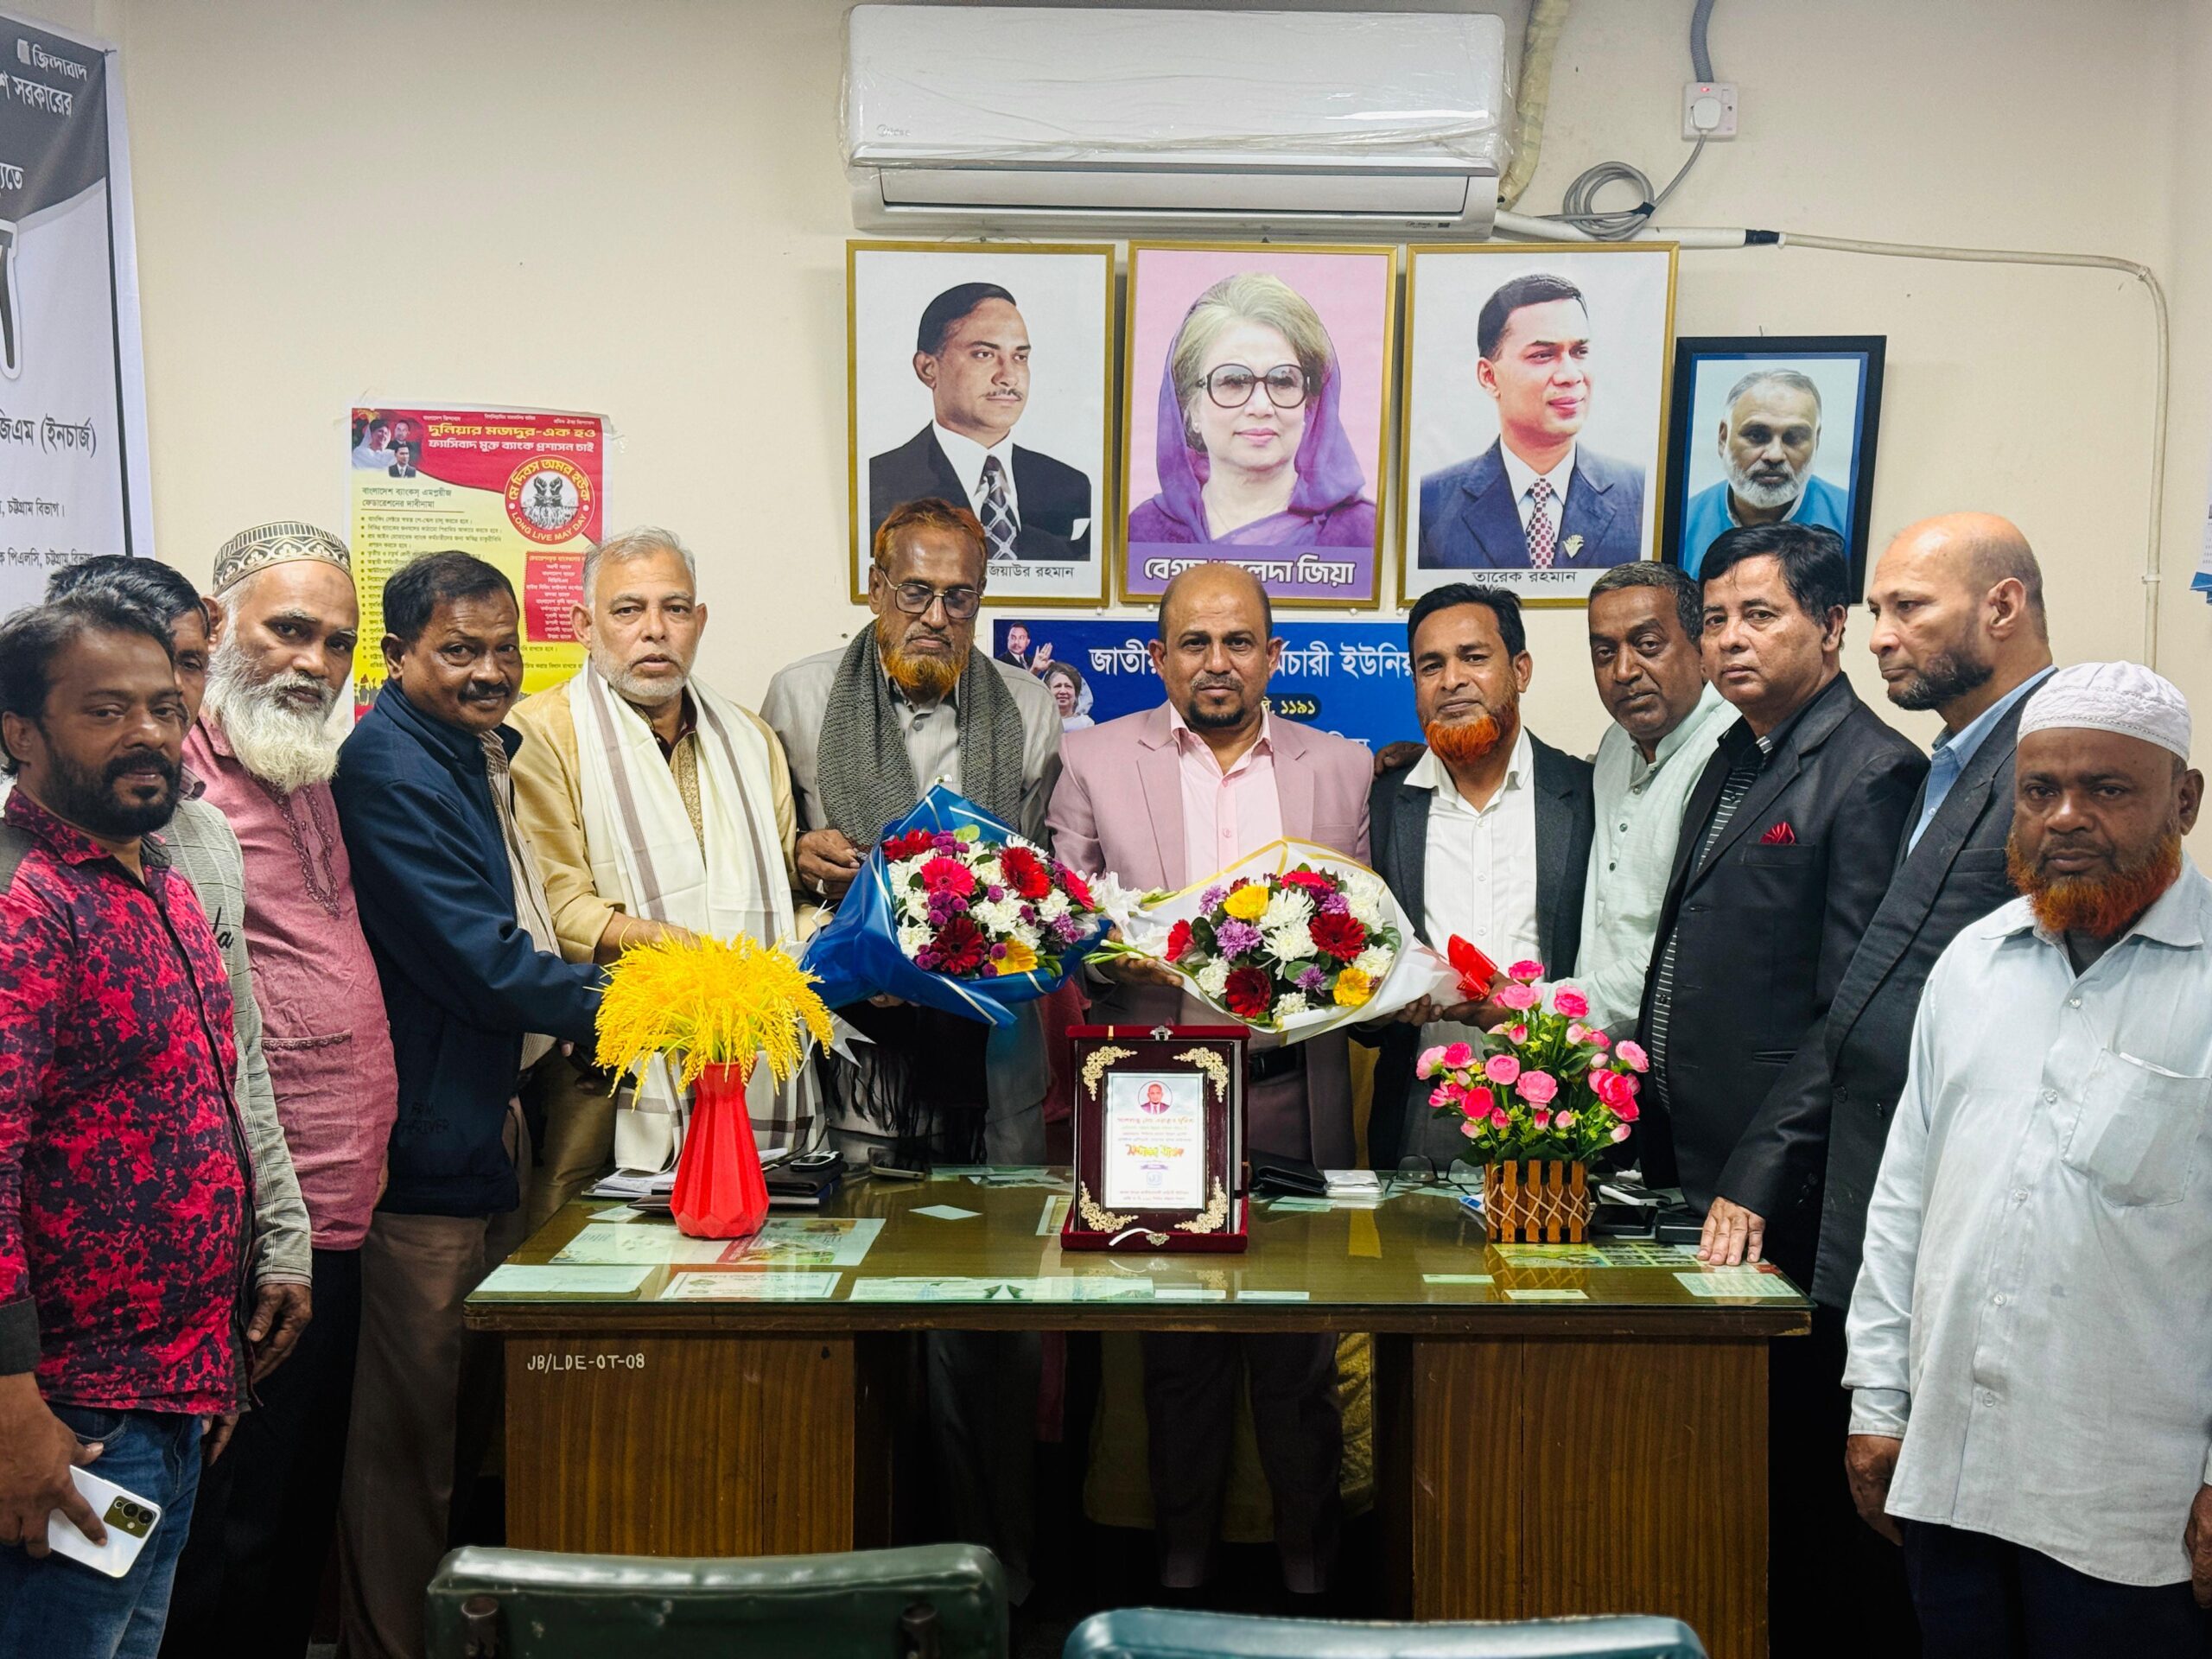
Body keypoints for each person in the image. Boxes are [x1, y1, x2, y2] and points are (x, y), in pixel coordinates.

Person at [1691, 512, 2048, 1655]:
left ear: (2002, 606)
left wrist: (1763, 1162)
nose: (1886, 634)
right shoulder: (1940, 761)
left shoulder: (2016, 764)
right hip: (1867, 1191)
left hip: (1939, 1195)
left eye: (1908, 609)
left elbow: (1854, 998)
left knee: (1882, 1537)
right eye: (1881, 610)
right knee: (1836, 1506)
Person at [1846, 663, 2212, 1656]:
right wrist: (1877, 1401)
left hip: (2129, 1513)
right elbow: (1904, 1201)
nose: (2064, 817)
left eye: (2107, 788)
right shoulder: (1972, 963)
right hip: (1952, 1480)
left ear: (2183, 800)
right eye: (2039, 789)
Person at [1049, 562, 1370, 1595]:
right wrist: (1121, 954)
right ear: (1159, 657)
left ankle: (1310, 1579)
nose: (1216, 662)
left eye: (1238, 643)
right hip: (1160, 1095)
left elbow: (1369, 930)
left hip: (1292, 1089)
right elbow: (1064, 926)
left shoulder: (1342, 767)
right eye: (1194, 642)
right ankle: (1178, 1577)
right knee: (1177, 1361)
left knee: (1300, 1359)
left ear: (1273, 656)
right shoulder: (1092, 758)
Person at [760, 499, 1058, 1601]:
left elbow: (1039, 880)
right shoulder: (797, 697)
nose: (936, 615)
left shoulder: (1029, 706)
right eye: (915, 592)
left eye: (960, 597)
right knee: (853, 1321)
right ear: (874, 586)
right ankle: (855, 1583)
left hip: (986, 1061)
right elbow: (765, 857)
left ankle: (994, 1581)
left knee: (988, 1328)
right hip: (853, 1065)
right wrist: (803, 856)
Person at [1633, 520, 1923, 1647]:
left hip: (1782, 1193)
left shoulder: (1872, 772)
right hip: (1690, 1164)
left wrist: (1758, 1172)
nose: (1729, 640)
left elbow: (1851, 1010)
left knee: (1800, 1478)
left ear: (1833, 626)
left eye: (1759, 615)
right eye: (1714, 620)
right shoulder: (1737, 751)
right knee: (1721, 1462)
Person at [331, 552, 603, 1659]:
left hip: (483, 1117)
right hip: (424, 1147)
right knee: (408, 1444)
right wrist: (654, 1005)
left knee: (463, 1422)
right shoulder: (389, 768)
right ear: (397, 655)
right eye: (458, 651)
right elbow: (484, 964)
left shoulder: (474, 749)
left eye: (504, 649)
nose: (489, 671)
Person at [152, 524, 400, 1659]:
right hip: (248, 1227)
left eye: (338, 641)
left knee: (294, 1515)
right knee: (225, 1532)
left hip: (336, 1217)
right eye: (290, 629)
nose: (315, 661)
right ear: (214, 626)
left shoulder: (302, 762)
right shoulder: (175, 782)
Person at [0, 593, 258, 1656]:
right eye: (106, 711)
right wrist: (11, 1410)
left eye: (163, 706)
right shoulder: (24, 901)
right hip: (68, 1418)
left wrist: (211, 1361)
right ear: (21, 732)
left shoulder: (158, 881)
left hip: (169, 1397)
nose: (149, 733)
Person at [508, 525, 808, 1223]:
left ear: (698, 622)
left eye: (675, 609)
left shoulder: (751, 737)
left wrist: (829, 942)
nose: (655, 631)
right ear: (584, 626)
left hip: (748, 1050)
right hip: (607, 1062)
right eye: (628, 610)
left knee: (754, 1247)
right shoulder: (540, 731)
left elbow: (787, 894)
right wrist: (693, 962)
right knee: (595, 1250)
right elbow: (559, 910)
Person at [1366, 583, 1595, 1171]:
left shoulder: (1588, 794)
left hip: (1561, 1111)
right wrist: (1381, 1006)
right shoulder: (1383, 802)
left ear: (1520, 670)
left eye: (1473, 657)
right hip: (1423, 1110)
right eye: (1431, 666)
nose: (1451, 680)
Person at [1573, 563, 1732, 1039]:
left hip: (1678, 1048)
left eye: (1647, 645)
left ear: (1702, 647)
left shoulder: (1733, 754)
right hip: (1588, 1051)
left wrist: (1550, 1008)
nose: (1624, 671)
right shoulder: (1614, 743)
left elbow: (1690, 945)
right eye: (1604, 653)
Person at [1127, 273, 1376, 552]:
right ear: (1191, 408)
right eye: (1234, 381)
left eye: (1283, 381)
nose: (1261, 407)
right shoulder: (1144, 533)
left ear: (1309, 405)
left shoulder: (1361, 533)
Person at [1418, 273, 1644, 570]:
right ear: (1489, 377)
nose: (1570, 375)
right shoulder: (1431, 503)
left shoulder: (1639, 494)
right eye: (1543, 355)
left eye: (1580, 352)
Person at [868, 283, 1092, 562]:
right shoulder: (878, 483)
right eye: (984, 354)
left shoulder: (1070, 486)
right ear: (928, 368)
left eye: (1020, 357)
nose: (1008, 377)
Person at [1679, 369, 1853, 577]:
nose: (1775, 455)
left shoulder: (1851, 520)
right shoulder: (1683, 524)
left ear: (1816, 441)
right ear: (1723, 438)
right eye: (1756, 435)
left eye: (1794, 437)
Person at [1041, 658, 1093, 731]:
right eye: (1058, 686)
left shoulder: (1086, 724)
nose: (1063, 691)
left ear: (1076, 694)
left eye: (1068, 686)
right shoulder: (1039, 724)